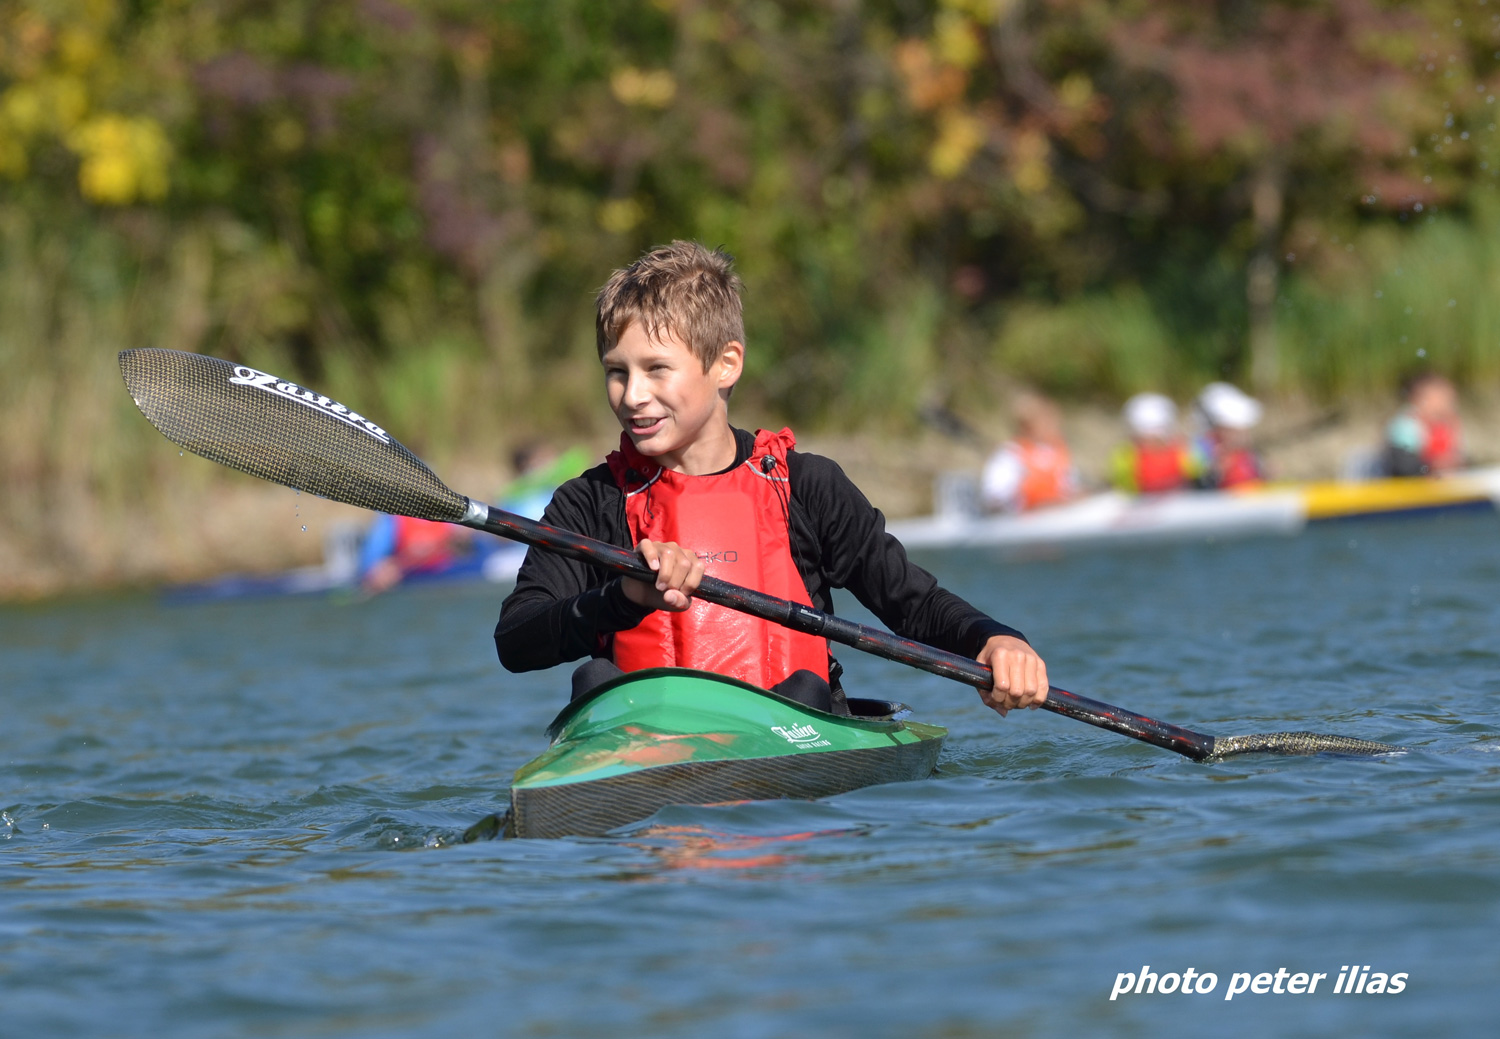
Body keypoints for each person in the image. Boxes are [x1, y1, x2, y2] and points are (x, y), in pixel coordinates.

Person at [495, 241, 1047, 719]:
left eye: (656, 369)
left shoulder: (806, 486)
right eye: (617, 372)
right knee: (594, 682)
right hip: (645, 740)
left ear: (726, 364)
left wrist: (995, 640)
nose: (633, 395)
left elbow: (912, 603)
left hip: (794, 727)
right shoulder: (590, 503)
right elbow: (516, 641)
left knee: (803, 691)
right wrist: (622, 596)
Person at [980, 393, 1080, 513]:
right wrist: (1030, 502)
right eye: (1047, 421)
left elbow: (1070, 488)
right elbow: (995, 499)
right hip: (1025, 519)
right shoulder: (1010, 456)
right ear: (1027, 426)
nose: (1055, 426)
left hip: (1059, 515)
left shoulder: (1054, 452)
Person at [1109, 392, 1203, 494]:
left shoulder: (1184, 452)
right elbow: (1123, 488)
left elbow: (1198, 477)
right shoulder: (1126, 456)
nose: (1150, 441)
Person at [356, 512, 472, 594]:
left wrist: (463, 540)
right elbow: (371, 563)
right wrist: (378, 573)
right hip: (407, 584)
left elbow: (469, 551)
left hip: (443, 580)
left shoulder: (447, 515)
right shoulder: (393, 520)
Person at [1381, 372, 1464, 477]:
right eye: (1442, 399)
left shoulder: (1446, 423)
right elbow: (1403, 466)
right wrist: (1433, 465)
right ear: (1419, 400)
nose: (1447, 405)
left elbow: (1458, 455)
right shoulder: (1406, 426)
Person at [1191, 382, 1266, 489]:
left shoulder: (1248, 454)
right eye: (1234, 431)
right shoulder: (1203, 450)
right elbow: (1197, 485)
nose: (1244, 435)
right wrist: (1214, 474)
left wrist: (1265, 473)